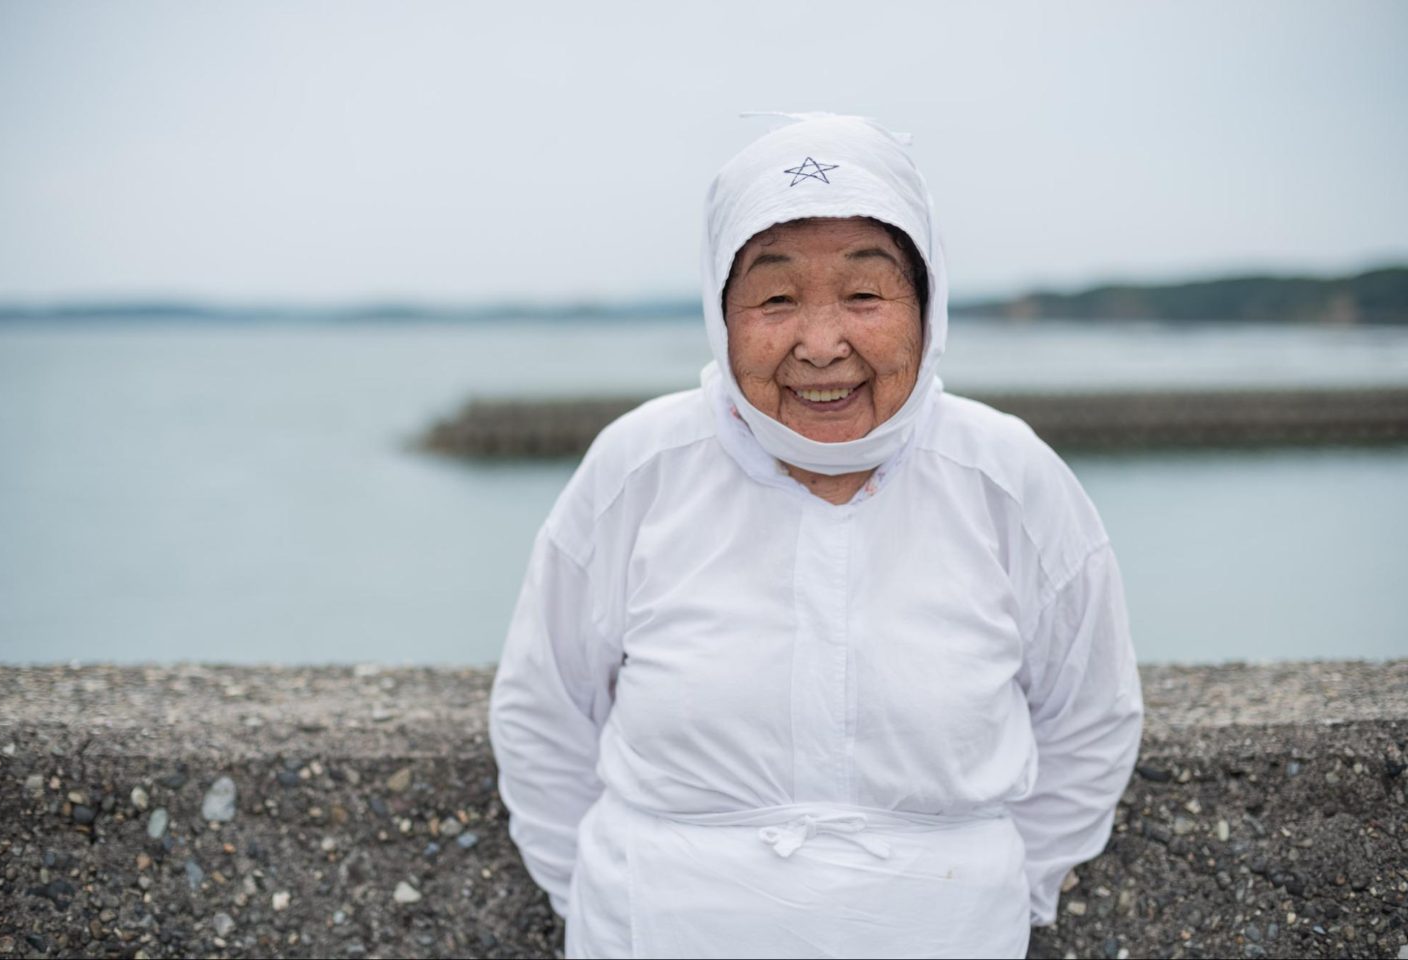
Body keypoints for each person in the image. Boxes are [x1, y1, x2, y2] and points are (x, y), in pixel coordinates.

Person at [489, 113, 1143, 959]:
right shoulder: (642, 466)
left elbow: (1091, 717)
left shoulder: (1006, 475)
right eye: (776, 298)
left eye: (866, 295)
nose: (823, 344)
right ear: (720, 312)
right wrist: (606, 904)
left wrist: (1004, 895)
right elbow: (544, 712)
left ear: (927, 304)